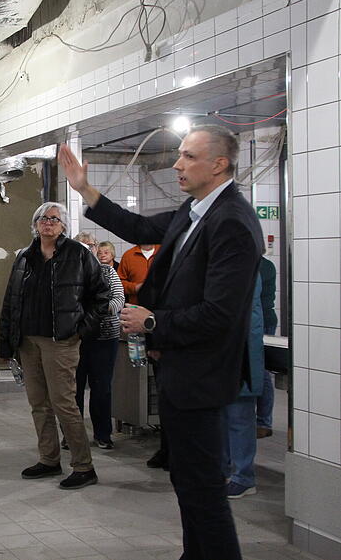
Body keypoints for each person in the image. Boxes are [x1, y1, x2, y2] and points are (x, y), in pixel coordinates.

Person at [59, 124, 262, 560]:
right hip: (180, 368)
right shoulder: (195, 211)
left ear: (219, 164)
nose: (176, 164)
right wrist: (85, 189)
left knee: (204, 487)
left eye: (189, 156)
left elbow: (220, 314)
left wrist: (153, 322)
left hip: (203, 374)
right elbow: (137, 225)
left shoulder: (232, 222)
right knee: (188, 481)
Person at [0, 203, 109, 490]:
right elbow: (11, 301)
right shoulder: (24, 256)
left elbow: (102, 296)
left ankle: (84, 466)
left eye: (54, 219)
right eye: (43, 218)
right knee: (38, 404)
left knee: (64, 404)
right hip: (28, 341)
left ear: (63, 225)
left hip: (61, 342)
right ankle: (49, 459)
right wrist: (7, 342)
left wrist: (80, 330)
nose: (48, 222)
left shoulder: (78, 254)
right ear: (36, 224)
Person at [117, 242, 167, 467]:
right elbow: (120, 283)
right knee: (163, 392)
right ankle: (166, 448)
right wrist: (135, 288)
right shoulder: (130, 255)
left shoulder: (165, 252)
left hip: (167, 326)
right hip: (143, 324)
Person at [77, 240, 125, 450]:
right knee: (74, 389)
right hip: (76, 339)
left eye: (90, 248)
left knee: (102, 388)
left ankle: (103, 434)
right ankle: (72, 435)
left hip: (105, 338)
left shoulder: (107, 271)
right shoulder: (70, 273)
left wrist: (98, 312)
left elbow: (119, 299)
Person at [223, 272, 265, 500]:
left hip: (242, 351)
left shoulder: (246, 270)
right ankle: (224, 470)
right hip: (223, 354)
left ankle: (243, 477)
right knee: (222, 417)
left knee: (239, 417)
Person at [256, 256, 278, 438]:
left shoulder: (263, 266)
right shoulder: (265, 265)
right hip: (258, 321)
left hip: (261, 322)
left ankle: (264, 422)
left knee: (262, 372)